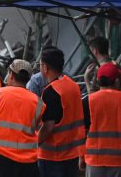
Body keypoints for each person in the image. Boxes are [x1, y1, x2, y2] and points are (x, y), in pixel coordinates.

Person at [0, 59, 44, 177]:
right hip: (29, 165)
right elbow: (42, 128)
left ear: (11, 75)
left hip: (1, 162)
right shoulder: (38, 102)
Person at [81, 63, 121, 176]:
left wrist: (81, 158)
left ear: (98, 81)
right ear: (117, 81)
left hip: (94, 163)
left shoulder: (88, 102)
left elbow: (82, 134)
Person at [37, 47, 86, 177]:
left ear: (45, 67)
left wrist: (34, 142)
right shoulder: (73, 86)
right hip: (72, 154)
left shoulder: (51, 91)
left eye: (40, 65)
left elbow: (48, 127)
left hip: (52, 157)